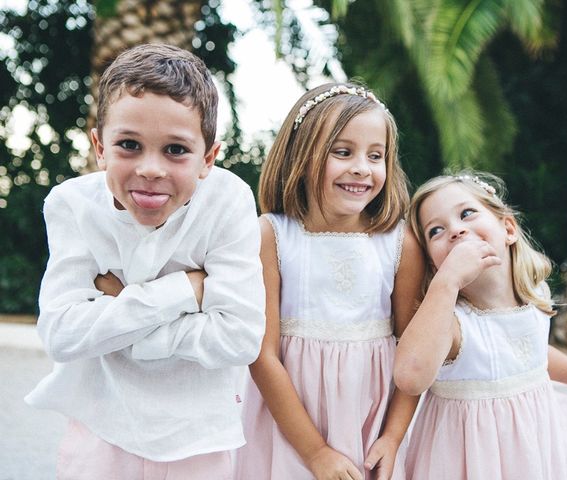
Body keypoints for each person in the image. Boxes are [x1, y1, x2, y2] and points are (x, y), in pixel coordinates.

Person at [25, 44, 265, 479]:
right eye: (129, 145)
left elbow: (240, 337)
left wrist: (122, 312)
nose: (151, 169)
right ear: (100, 146)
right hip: (103, 428)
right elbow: (61, 334)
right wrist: (186, 290)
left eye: (175, 150)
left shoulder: (228, 201)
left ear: (208, 158)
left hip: (198, 438)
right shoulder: (71, 204)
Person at [234, 83, 425, 480]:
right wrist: (317, 452)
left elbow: (411, 355)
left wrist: (391, 438)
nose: (361, 167)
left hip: (371, 424)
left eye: (376, 156)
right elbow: (262, 356)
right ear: (303, 157)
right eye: (343, 152)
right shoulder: (272, 236)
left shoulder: (399, 243)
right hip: (290, 425)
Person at [395, 171, 567, 479]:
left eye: (467, 213)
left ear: (507, 228)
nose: (456, 230)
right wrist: (446, 283)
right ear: (433, 263)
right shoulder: (452, 324)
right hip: (469, 461)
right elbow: (410, 377)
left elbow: (532, 355)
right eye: (436, 231)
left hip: (533, 451)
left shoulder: (535, 298)